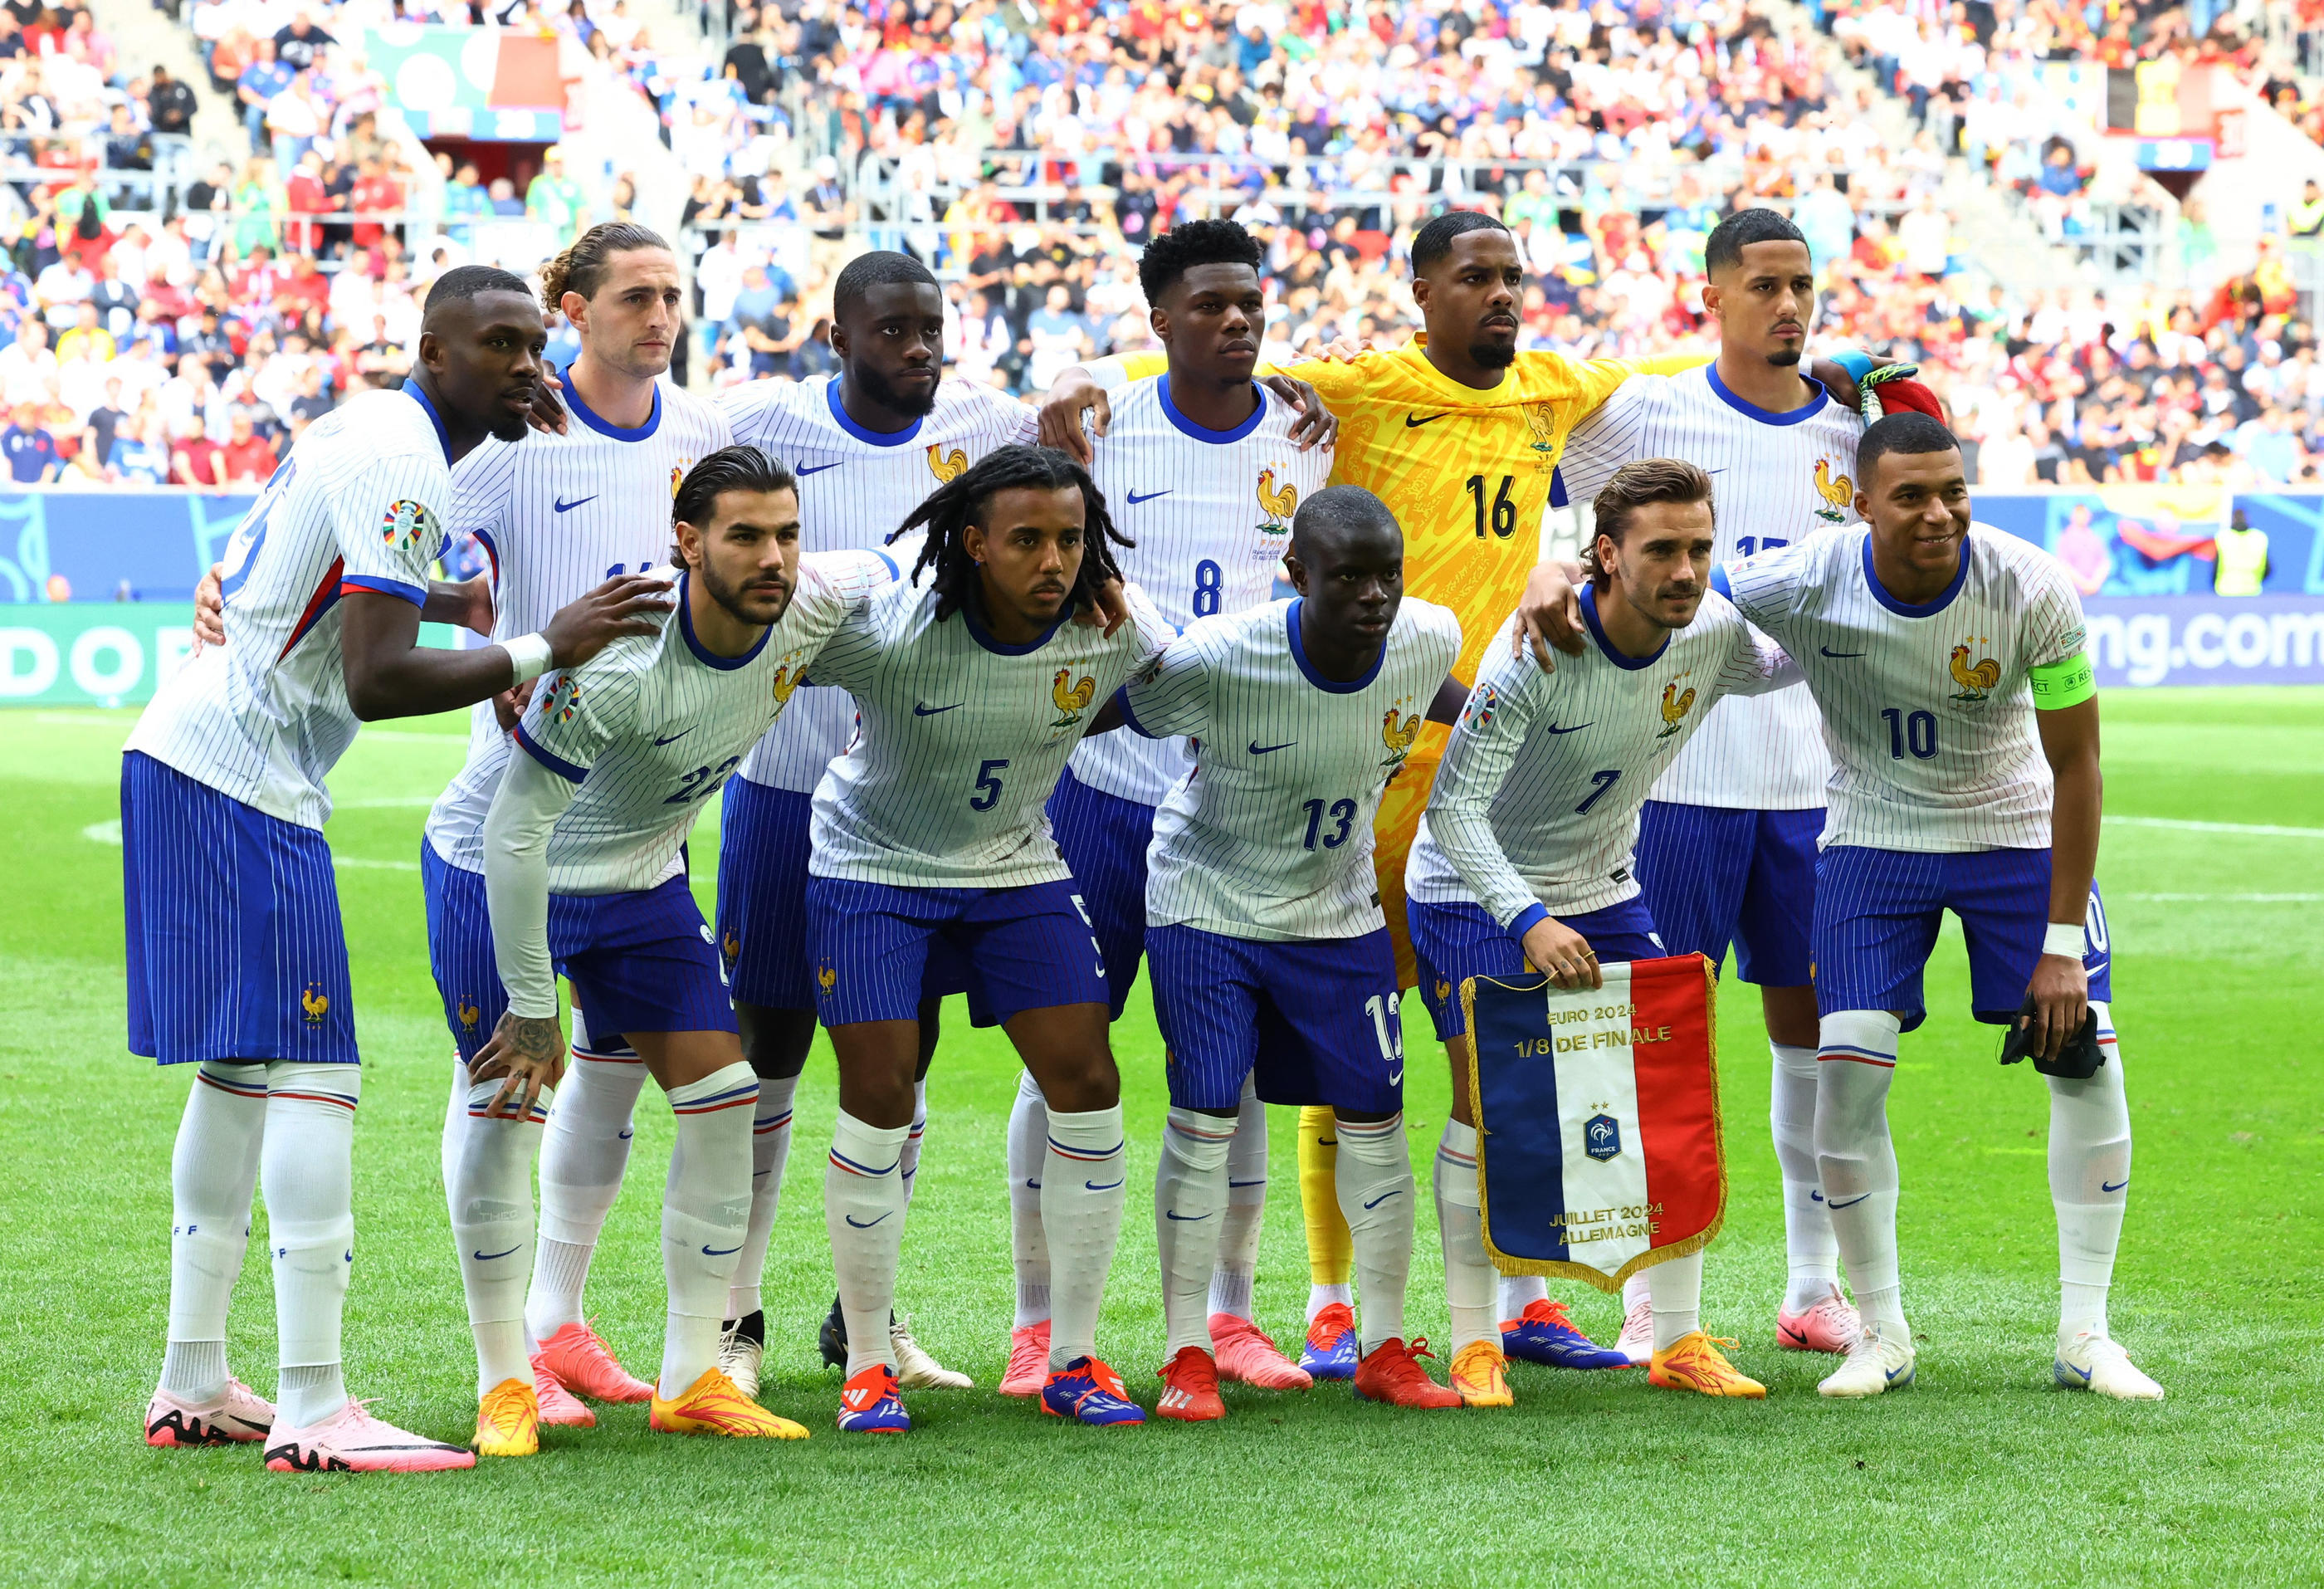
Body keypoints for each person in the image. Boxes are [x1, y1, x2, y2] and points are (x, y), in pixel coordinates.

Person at [1044, 209, 1729, 1374]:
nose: (1502, 293)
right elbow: (1214, 350)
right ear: (1420, 292)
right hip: (1337, 759)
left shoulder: (1554, 386)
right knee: (1333, 1038)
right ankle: (1323, 1297)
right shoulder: (1357, 387)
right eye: (1475, 276)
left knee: (1497, 1052)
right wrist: (1086, 368)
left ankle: (1525, 1298)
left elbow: (1675, 369)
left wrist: (1841, 368)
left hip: (1484, 761)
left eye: (1515, 275)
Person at [123, 265, 669, 1474]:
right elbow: (375, 675)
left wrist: (453, 599)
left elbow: (318, 577)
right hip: (240, 776)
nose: (526, 364)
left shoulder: (373, 428)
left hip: (191, 753)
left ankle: (196, 1373)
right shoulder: (406, 453)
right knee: (315, 1067)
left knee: (238, 1070)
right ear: (432, 348)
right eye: (498, 344)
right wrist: (541, 638)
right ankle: (317, 1402)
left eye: (536, 344)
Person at [1716, 413, 2159, 1402]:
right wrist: (1557, 581)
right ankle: (1882, 1334)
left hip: (2015, 835)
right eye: (1909, 495)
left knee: (2085, 1062)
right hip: (1873, 841)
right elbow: (1678, 587)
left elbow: (2078, 765)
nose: (1937, 512)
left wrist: (2058, 946)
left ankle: (2087, 1334)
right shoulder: (1808, 575)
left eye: (1951, 489)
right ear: (1860, 502)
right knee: (1848, 1077)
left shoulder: (2030, 585)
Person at [467, 446, 902, 1453]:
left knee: (724, 1098)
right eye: (745, 536)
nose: (774, 558)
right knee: (504, 1106)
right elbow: (510, 834)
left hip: (644, 879)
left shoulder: (810, 597)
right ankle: (508, 1379)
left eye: (787, 534)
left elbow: (894, 572)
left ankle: (692, 1375)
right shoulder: (625, 657)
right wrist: (534, 1003)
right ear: (687, 542)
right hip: (516, 877)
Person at [1534, 209, 1884, 1363]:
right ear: (1713, 297)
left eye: (1803, 285)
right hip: (1673, 785)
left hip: (1816, 787)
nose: (1789, 307)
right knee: (1648, 1046)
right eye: (1765, 286)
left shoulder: (1853, 420)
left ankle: (1811, 1282)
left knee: (1819, 1036)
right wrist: (1544, 558)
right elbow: (1539, 480)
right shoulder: (1647, 410)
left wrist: (1893, 391)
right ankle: (1648, 1296)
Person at [700, 252, 1043, 1393]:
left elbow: (1106, 421)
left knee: (900, 1061)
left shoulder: (985, 425)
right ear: (836, 334)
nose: (919, 348)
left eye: (931, 328)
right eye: (893, 329)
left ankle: (869, 1314)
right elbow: (657, 465)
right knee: (770, 1053)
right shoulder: (764, 419)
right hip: (784, 790)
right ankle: (732, 1316)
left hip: (911, 813)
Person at [417, 223, 735, 1447]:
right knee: (506, 1088)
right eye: (636, 296)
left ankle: (566, 1323)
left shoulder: (703, 438)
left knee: (632, 1080)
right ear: (570, 308)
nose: (659, 316)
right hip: (517, 820)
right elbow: (396, 571)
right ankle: (507, 1366)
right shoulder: (504, 450)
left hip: (645, 829)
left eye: (674, 296)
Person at [1008, 218, 1335, 1398]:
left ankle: (1228, 1315)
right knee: (1064, 1057)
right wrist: (1057, 388)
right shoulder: (1100, 427)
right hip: (1104, 790)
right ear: (1158, 318)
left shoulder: (1310, 438)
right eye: (1208, 305)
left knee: (1231, 1066)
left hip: (1243, 798)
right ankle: (1040, 1322)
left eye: (1250, 302)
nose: (1237, 321)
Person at [1408, 457, 1794, 1406]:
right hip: (1469, 887)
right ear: (1606, 557)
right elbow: (1453, 812)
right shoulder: (1538, 650)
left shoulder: (1711, 634)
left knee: (1665, 1093)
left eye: (1699, 549)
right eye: (1661, 550)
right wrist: (1528, 920)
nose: (1685, 571)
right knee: (1484, 1105)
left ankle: (1677, 1342)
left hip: (1602, 882)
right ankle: (1473, 1343)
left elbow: (1801, 651)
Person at [803, 444, 1170, 1430]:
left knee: (1088, 1082)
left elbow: (1183, 670)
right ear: (973, 545)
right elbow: (766, 644)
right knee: (880, 1091)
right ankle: (869, 1364)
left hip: (1013, 866)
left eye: (1069, 539)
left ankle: (1075, 1359)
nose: (1053, 561)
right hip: (872, 869)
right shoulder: (892, 632)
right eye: (1026, 541)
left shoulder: (1107, 631)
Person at [1120, 485, 1467, 1416]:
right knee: (1205, 1116)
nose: (1373, 597)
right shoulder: (1223, 656)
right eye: (1347, 577)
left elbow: (1456, 706)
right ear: (1294, 576)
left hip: (1337, 909)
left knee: (1376, 1119)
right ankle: (1187, 1352)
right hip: (1208, 905)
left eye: (1386, 575)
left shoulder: (1429, 636)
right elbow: (1102, 712)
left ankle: (1386, 1348)